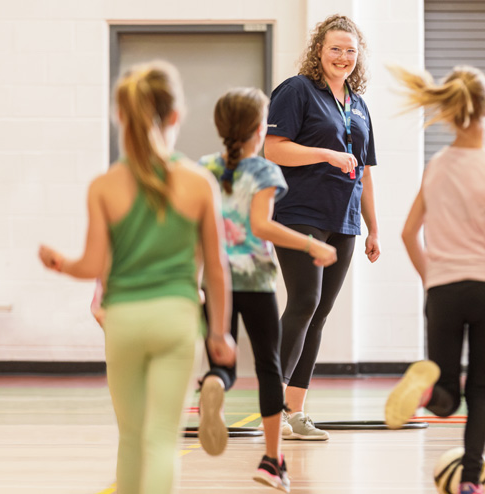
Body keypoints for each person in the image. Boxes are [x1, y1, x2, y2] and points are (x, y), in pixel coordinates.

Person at [38, 61, 236, 494]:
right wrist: (219, 333)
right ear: (175, 116)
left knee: (131, 440)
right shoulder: (198, 183)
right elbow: (217, 270)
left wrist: (60, 263)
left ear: (121, 118)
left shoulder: (104, 187)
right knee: (162, 439)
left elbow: (92, 266)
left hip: (122, 322)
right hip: (177, 319)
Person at [383, 64, 485, 494]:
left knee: (448, 395)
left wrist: (433, 280)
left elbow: (408, 233)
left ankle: (427, 395)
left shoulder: (436, 166)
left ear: (448, 113)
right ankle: (470, 482)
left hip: (442, 290)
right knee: (480, 387)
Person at [196, 87, 337, 492]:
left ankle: (216, 384)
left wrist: (194, 281)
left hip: (214, 281)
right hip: (255, 282)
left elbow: (195, 233)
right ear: (260, 129)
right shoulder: (265, 173)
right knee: (269, 369)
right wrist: (311, 243)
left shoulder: (202, 168)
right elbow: (261, 226)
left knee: (222, 362)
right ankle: (272, 461)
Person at [264, 14, 380, 441]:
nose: (343, 57)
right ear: (319, 50)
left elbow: (365, 171)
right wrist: (326, 155)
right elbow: (273, 148)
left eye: (351, 51)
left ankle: (295, 411)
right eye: (335, 48)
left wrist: (374, 228)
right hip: (300, 214)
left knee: (320, 314)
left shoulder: (359, 103)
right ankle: (269, 404)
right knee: (304, 302)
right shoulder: (298, 90)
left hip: (344, 219)